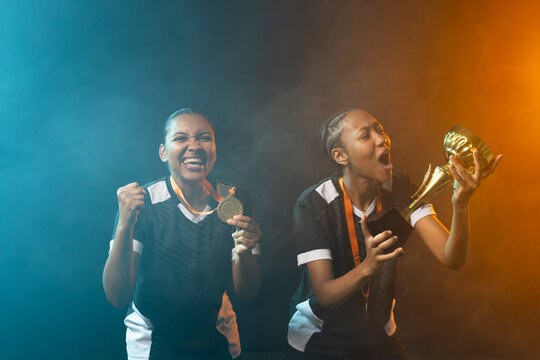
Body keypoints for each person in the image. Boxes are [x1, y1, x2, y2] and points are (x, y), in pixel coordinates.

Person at [287, 109, 502, 359]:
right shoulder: (314, 204)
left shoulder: (401, 189)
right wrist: (368, 266)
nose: (381, 138)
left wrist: (461, 204)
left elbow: (451, 258)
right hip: (321, 337)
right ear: (341, 155)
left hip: (379, 334)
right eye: (365, 135)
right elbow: (324, 294)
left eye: (380, 129)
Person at [103, 108, 262, 360]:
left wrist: (244, 252)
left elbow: (247, 292)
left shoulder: (235, 199)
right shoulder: (142, 202)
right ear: (163, 153)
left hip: (217, 334)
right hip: (154, 340)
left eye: (204, 137)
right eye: (180, 138)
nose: (194, 146)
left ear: (214, 148)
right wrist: (124, 224)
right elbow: (117, 295)